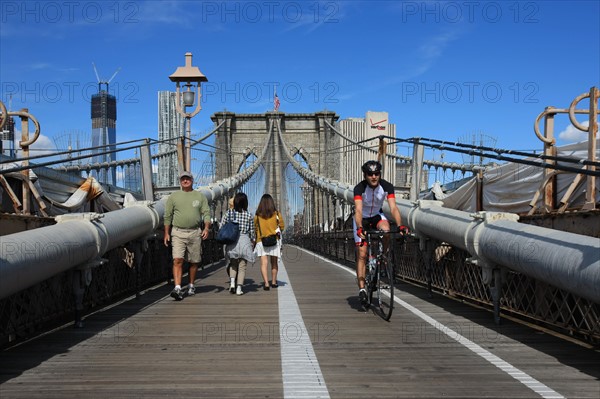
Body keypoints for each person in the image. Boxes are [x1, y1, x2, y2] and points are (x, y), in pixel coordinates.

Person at [353, 160, 404, 307]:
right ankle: (362, 289)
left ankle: (382, 256)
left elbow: (393, 208)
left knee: (387, 230)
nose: (374, 176)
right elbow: (358, 210)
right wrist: (359, 227)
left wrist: (400, 226)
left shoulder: (387, 186)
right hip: (362, 219)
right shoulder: (359, 188)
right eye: (370, 174)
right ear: (365, 175)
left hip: (376, 216)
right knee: (362, 254)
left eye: (376, 173)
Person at [163, 171, 211, 301]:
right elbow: (167, 216)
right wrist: (166, 233)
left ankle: (191, 285)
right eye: (183, 179)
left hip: (195, 232)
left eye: (187, 178)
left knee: (194, 261)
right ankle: (177, 287)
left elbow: (206, 213)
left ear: (192, 180)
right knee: (177, 260)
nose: (185, 181)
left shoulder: (200, 197)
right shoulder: (173, 197)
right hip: (178, 232)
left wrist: (206, 228)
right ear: (180, 181)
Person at [221, 192, 256, 295]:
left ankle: (232, 284)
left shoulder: (229, 213)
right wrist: (253, 241)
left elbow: (222, 226)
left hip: (232, 241)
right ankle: (239, 289)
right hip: (244, 241)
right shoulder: (249, 215)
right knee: (242, 266)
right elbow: (252, 231)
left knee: (233, 264)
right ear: (246, 203)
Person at [254, 194, 284, 290]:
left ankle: (266, 284)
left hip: (261, 241)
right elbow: (282, 226)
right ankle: (274, 282)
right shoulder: (277, 214)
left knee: (264, 263)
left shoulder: (257, 215)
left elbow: (255, 228)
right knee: (274, 263)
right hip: (274, 240)